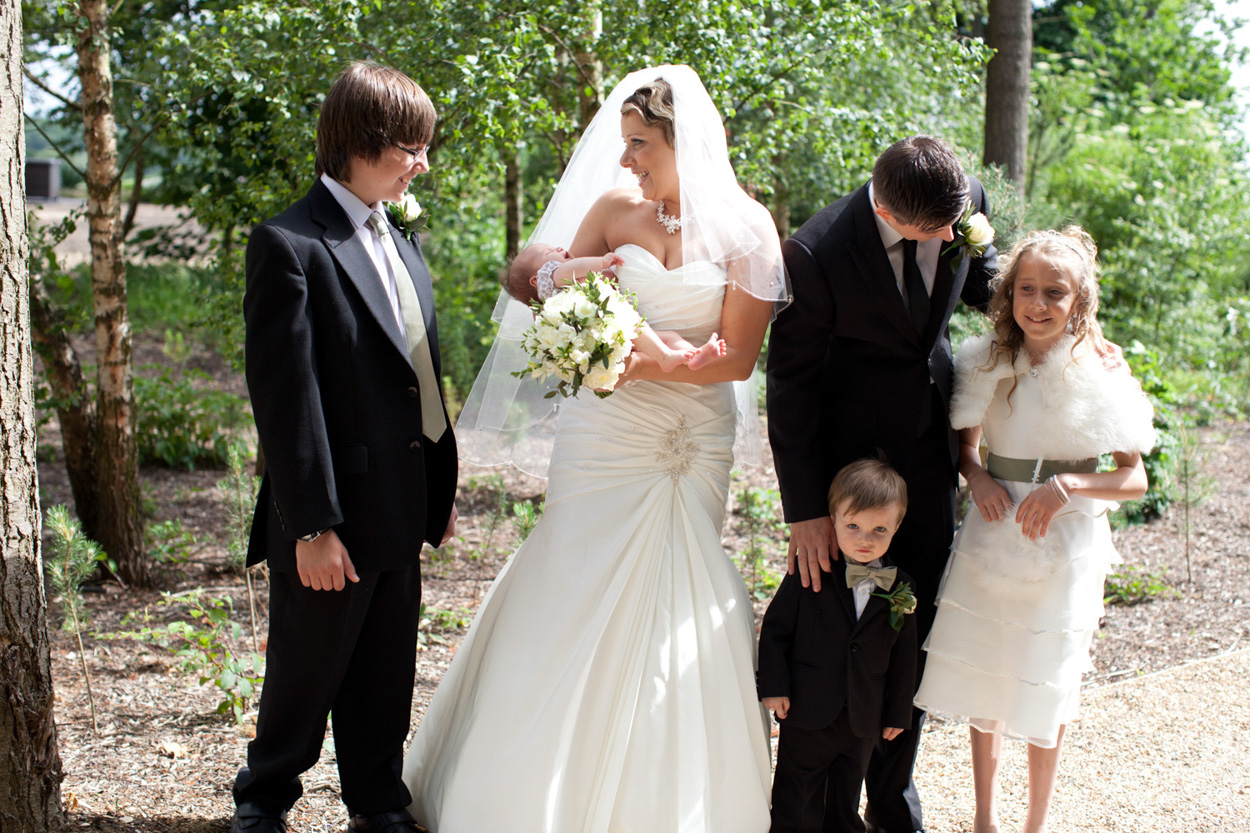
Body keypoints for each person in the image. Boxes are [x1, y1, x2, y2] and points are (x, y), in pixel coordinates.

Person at [402, 65, 789, 833]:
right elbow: (550, 292)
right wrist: (602, 345)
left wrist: (659, 362)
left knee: (682, 578)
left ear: (687, 143)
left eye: (640, 144)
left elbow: (739, 357)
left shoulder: (748, 230)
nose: (626, 162)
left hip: (686, 440)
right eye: (624, 145)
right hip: (603, 432)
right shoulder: (614, 210)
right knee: (572, 569)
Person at [230, 62, 458, 833]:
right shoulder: (290, 245)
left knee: (385, 668)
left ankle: (376, 800)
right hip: (330, 510)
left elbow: (420, 372)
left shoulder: (403, 238)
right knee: (306, 667)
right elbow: (286, 403)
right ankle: (264, 799)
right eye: (412, 147)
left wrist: (439, 484)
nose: (423, 163)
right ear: (365, 141)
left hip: (401, 500)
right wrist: (311, 525)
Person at [766, 135, 998, 833]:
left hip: (932, 457)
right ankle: (829, 806)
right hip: (849, 478)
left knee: (913, 626)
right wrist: (806, 511)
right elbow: (792, 385)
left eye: (960, 220)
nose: (956, 235)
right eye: (937, 230)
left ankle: (893, 803)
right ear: (889, 211)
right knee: (842, 636)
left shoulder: (962, 203)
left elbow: (988, 283)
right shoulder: (816, 252)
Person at [913, 227, 1154, 833]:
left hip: (1066, 542)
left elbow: (1134, 479)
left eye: (1055, 292)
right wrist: (981, 479)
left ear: (1080, 301)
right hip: (994, 531)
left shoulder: (1101, 369)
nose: (1038, 304)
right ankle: (985, 819)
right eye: (1027, 289)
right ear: (1009, 294)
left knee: (1047, 677)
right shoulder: (983, 362)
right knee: (986, 667)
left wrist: (1073, 486)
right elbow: (966, 450)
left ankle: (1034, 824)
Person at [759, 458, 919, 833]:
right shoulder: (811, 570)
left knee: (847, 793)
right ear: (832, 519)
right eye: (853, 526)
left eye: (880, 528)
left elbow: (904, 657)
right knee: (796, 791)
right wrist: (774, 687)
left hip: (863, 717)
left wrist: (898, 712)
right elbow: (776, 630)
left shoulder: (901, 588)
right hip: (806, 708)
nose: (866, 539)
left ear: (897, 525)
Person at [504, 243, 726, 371]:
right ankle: (666, 356)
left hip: (613, 334)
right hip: (619, 322)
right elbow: (574, 268)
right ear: (537, 280)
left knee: (667, 336)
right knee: (652, 334)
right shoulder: (552, 278)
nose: (559, 247)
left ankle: (692, 355)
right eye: (548, 252)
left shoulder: (560, 297)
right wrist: (602, 262)